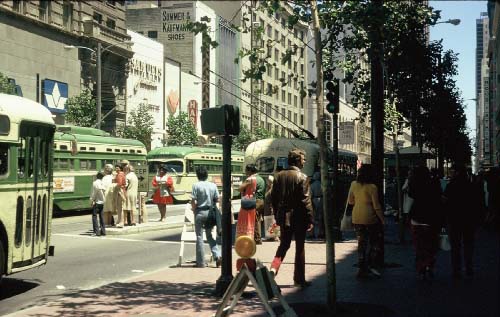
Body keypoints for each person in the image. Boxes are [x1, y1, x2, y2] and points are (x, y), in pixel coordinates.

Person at [270, 149, 314, 288]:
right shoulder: (302, 177)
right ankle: (299, 279)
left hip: (284, 216)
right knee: (299, 247)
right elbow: (306, 201)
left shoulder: (278, 176)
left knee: (283, 245)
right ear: (297, 161)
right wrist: (310, 219)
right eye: (303, 159)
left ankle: (273, 269)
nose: (304, 161)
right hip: (299, 217)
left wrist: (278, 214)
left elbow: (273, 199)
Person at [346, 164, 384, 278]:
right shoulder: (372, 187)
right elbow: (376, 206)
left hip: (356, 217)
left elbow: (350, 201)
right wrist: (382, 219)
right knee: (373, 243)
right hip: (370, 218)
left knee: (361, 243)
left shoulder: (353, 184)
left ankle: (361, 267)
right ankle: (369, 265)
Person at [443, 164, 480, 278]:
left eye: (452, 171)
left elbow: (445, 203)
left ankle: (456, 270)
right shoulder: (472, 185)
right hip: (469, 220)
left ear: (457, 172)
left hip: (454, 220)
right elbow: (478, 203)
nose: (450, 173)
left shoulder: (451, 186)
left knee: (455, 246)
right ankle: (469, 267)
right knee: (468, 244)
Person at [408, 166, 443, 280]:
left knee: (419, 246)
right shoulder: (434, 183)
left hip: (416, 218)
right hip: (430, 218)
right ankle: (429, 265)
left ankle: (421, 267)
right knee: (430, 244)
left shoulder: (414, 183)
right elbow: (439, 198)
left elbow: (410, 194)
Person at [190, 166, 221, 268]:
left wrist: (194, 209)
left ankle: (201, 262)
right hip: (210, 213)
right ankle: (217, 255)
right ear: (206, 175)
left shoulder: (196, 185)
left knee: (199, 236)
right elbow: (217, 200)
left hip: (199, 212)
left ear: (197, 175)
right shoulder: (213, 185)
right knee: (209, 236)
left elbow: (193, 201)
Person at [239, 164, 266, 244]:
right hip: (261, 200)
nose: (246, 172)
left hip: (254, 201)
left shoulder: (251, 179)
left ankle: (257, 239)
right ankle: (257, 237)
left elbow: (240, 188)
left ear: (250, 171)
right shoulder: (261, 178)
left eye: (247, 170)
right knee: (258, 220)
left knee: (254, 220)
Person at [90, 172, 106, 236]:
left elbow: (94, 193)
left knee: (94, 217)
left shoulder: (95, 183)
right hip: (102, 202)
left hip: (96, 202)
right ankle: (103, 231)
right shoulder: (102, 183)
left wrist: (91, 200)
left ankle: (96, 232)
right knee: (102, 217)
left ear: (97, 176)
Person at [310, 171, 324, 240]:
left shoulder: (312, 185)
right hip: (321, 200)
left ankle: (312, 233)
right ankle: (320, 233)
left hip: (314, 200)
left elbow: (310, 194)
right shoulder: (322, 184)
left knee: (313, 217)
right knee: (321, 217)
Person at [114, 164, 127, 228]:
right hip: (122, 191)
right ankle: (119, 221)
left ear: (120, 168)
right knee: (119, 207)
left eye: (117, 168)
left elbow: (119, 184)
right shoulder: (122, 174)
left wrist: (114, 185)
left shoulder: (120, 175)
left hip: (120, 192)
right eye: (116, 168)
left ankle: (121, 222)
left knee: (120, 208)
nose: (116, 169)